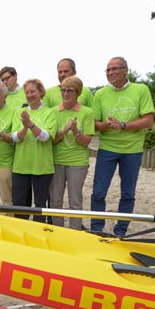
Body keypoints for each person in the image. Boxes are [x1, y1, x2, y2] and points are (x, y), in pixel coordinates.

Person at [90, 57, 155, 237]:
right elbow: (95, 124)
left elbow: (148, 121)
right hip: (107, 148)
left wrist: (124, 125)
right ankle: (97, 230)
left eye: (115, 69)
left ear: (126, 70)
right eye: (108, 70)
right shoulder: (100, 94)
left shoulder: (141, 89)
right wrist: (108, 125)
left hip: (132, 150)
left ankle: (120, 231)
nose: (111, 73)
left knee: (127, 194)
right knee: (98, 193)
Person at [49, 76, 95, 230]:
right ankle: (58, 231)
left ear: (78, 93)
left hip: (78, 162)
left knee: (75, 201)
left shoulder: (87, 112)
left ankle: (75, 232)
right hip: (56, 160)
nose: (65, 94)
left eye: (70, 90)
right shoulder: (53, 112)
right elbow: (52, 140)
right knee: (55, 201)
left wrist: (75, 131)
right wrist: (65, 130)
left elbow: (86, 141)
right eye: (63, 90)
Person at [10, 79, 57, 221]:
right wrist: (25, 126)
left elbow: (45, 137)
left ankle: (38, 232)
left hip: (42, 167)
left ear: (41, 92)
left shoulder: (50, 112)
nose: (30, 95)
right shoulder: (19, 112)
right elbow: (15, 137)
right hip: (21, 166)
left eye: (33, 91)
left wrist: (30, 124)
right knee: (19, 203)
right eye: (27, 92)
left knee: (40, 204)